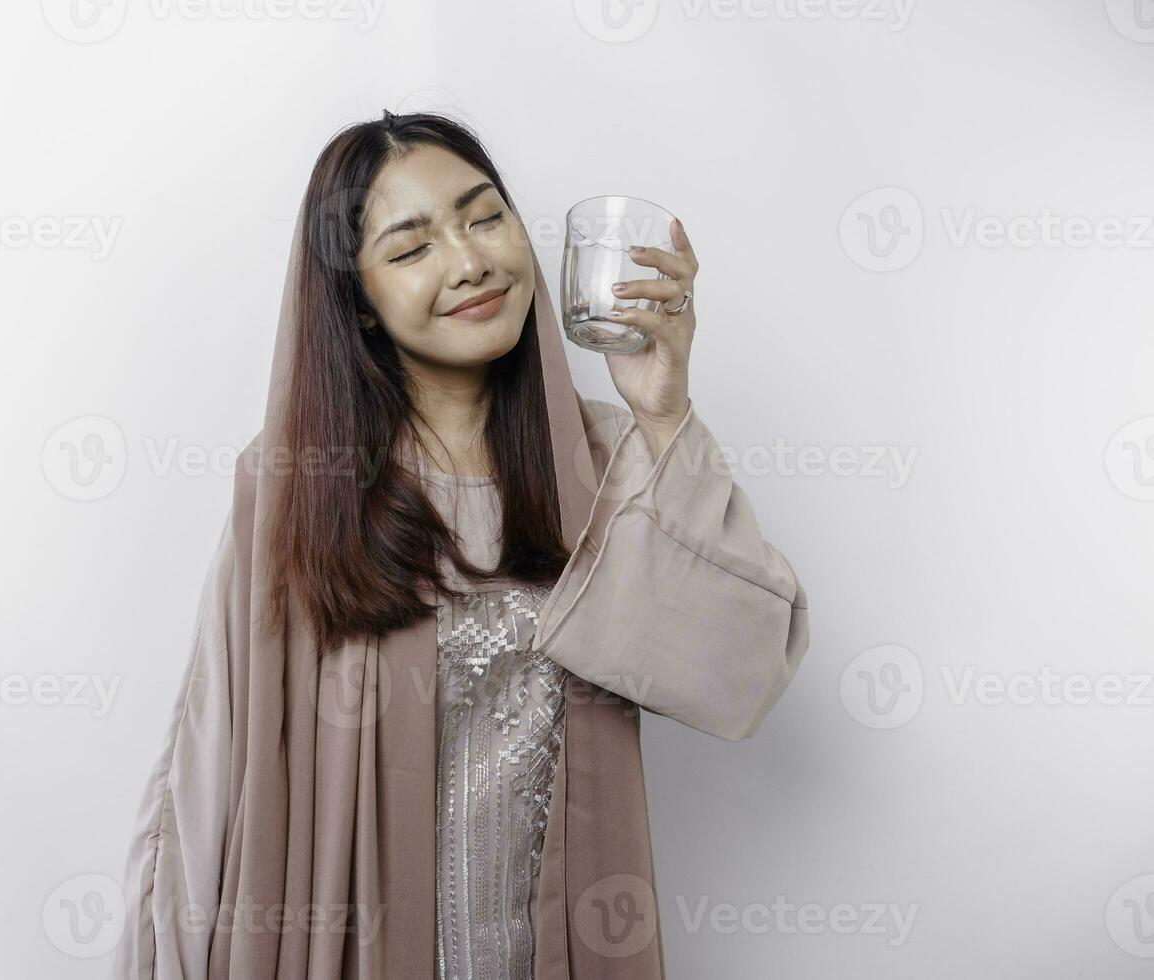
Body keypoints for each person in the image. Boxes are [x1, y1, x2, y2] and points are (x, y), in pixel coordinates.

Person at [111, 110, 810, 980]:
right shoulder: (298, 484)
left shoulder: (608, 466)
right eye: (410, 250)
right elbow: (209, 757)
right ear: (358, 303)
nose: (471, 261)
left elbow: (739, 672)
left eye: (486, 218)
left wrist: (663, 411)